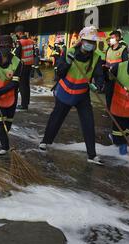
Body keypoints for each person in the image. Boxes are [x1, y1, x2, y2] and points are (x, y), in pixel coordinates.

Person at [39, 26, 105, 165]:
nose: (91, 44)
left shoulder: (97, 57)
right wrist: (67, 63)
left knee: (88, 123)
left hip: (82, 95)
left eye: (93, 42)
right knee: (56, 118)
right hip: (65, 93)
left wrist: (98, 85)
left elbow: (99, 75)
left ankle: (91, 155)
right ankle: (45, 141)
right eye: (88, 41)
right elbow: (60, 73)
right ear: (81, 40)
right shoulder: (69, 52)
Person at [104, 30, 128, 109]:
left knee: (117, 95)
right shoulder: (109, 49)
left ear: (117, 38)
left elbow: (125, 63)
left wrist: (115, 68)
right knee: (108, 94)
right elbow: (106, 60)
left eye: (112, 38)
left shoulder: (123, 49)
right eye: (110, 38)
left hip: (118, 77)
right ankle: (109, 111)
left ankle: (116, 110)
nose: (111, 39)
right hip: (108, 76)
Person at [12, 25, 34, 111]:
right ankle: (26, 103)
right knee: (26, 85)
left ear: (19, 33)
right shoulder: (31, 41)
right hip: (29, 65)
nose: (16, 35)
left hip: (22, 66)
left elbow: (16, 55)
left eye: (17, 33)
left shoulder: (20, 42)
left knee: (22, 85)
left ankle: (23, 105)